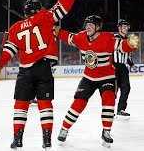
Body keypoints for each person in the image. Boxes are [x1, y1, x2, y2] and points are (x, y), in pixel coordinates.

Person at [0, 0, 81, 150]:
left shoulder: (14, 28)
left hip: (25, 71)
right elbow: (63, 6)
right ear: (38, 10)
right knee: (45, 105)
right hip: (44, 68)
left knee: (20, 105)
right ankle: (46, 140)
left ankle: (17, 139)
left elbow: (7, 52)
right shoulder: (45, 17)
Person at [54, 15, 139, 147]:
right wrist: (56, 30)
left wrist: (130, 44)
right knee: (78, 103)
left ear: (98, 27)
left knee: (109, 101)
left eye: (91, 25)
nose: (87, 26)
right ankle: (64, 129)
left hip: (107, 77)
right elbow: (68, 37)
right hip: (88, 77)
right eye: (86, 24)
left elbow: (122, 46)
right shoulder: (81, 37)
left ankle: (106, 132)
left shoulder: (107, 38)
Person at [113, 19, 138, 119]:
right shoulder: (114, 38)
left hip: (123, 67)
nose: (126, 29)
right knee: (113, 90)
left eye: (127, 27)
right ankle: (109, 110)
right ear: (119, 28)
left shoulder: (128, 40)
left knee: (126, 88)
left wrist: (132, 65)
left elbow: (128, 55)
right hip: (113, 66)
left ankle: (121, 109)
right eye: (124, 27)